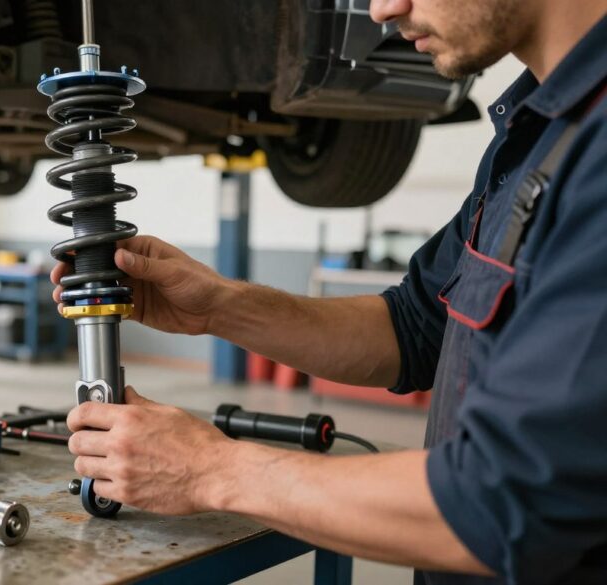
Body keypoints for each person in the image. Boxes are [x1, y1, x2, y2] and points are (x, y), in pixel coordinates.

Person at [52, 1, 607, 583]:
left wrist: (210, 470)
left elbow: (507, 501)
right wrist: (217, 304)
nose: (383, 9)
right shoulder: (538, 129)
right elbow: (414, 329)